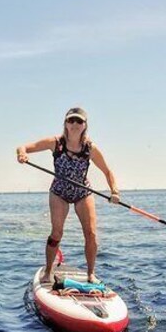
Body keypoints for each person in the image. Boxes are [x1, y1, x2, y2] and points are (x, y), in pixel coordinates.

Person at [16, 107, 119, 284]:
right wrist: (22, 154)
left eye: (79, 121)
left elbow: (108, 172)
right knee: (57, 233)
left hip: (82, 192)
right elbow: (23, 147)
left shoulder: (90, 148)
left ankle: (91, 274)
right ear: (65, 123)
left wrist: (114, 191)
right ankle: (48, 271)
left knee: (91, 234)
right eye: (71, 120)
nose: (75, 124)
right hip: (59, 192)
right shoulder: (55, 142)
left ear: (85, 125)